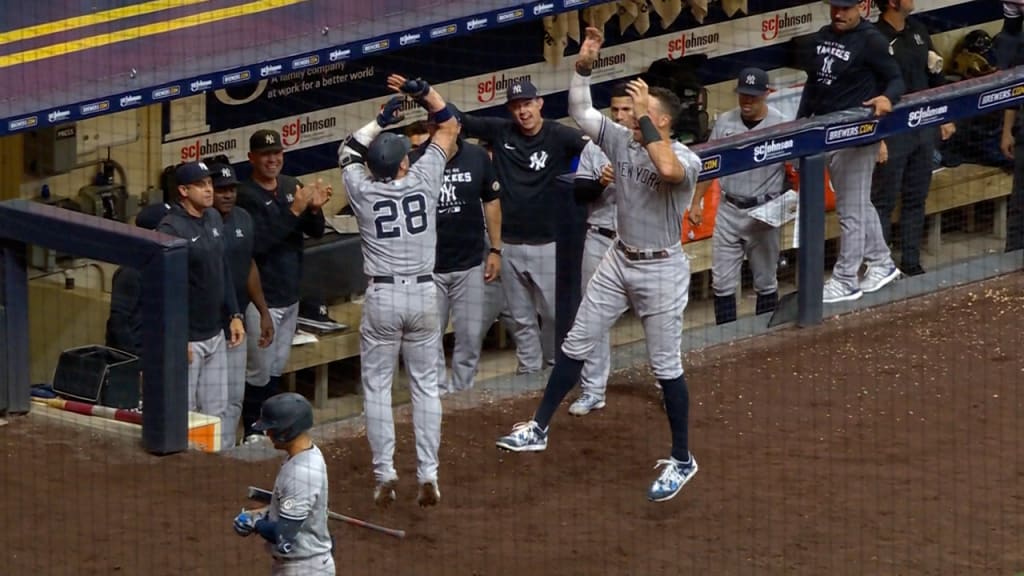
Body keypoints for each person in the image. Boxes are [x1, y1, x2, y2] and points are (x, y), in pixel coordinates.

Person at [496, 27, 702, 503]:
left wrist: (648, 112)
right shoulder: (622, 142)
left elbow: (667, 170)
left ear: (663, 121)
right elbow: (580, 111)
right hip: (618, 257)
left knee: (664, 366)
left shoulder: (686, 161)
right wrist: (581, 68)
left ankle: (682, 459)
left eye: (644, 112)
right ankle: (539, 426)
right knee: (577, 340)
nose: (631, 117)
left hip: (662, 268)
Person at [338, 75, 459, 507]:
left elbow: (346, 151)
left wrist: (377, 121)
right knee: (426, 387)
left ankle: (385, 472)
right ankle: (429, 474)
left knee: (377, 388)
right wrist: (423, 92)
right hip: (425, 296)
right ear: (405, 163)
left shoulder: (362, 188)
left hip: (383, 299)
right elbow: (448, 126)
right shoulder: (425, 178)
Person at [455, 78, 590, 374]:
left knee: (556, 313)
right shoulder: (501, 131)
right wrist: (424, 94)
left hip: (548, 243)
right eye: (516, 106)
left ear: (539, 103)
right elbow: (458, 119)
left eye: (527, 104)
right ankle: (529, 370)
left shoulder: (558, 134)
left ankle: (556, 364)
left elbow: (597, 143)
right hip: (510, 245)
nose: (523, 111)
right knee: (521, 318)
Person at [796, 0, 905, 303]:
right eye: (834, 7)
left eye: (845, 8)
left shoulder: (872, 40)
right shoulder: (822, 36)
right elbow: (814, 83)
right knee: (857, 203)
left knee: (850, 212)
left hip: (857, 135)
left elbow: (896, 78)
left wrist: (888, 98)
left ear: (861, 7)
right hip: (826, 132)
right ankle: (881, 262)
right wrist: (800, 123)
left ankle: (846, 279)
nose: (838, 14)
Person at [237, 129, 331, 443]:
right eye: (265, 154)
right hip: (260, 300)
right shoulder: (244, 196)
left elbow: (315, 232)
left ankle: (270, 429)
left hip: (290, 296)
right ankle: (252, 431)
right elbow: (259, 244)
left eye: (276, 153)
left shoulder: (292, 185)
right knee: (258, 373)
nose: (272, 159)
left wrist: (314, 209)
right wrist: (294, 210)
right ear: (251, 158)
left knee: (275, 370)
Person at [409, 111, 504, 395]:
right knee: (429, 337)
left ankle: (463, 391)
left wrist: (496, 249)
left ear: (458, 127)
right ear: (431, 128)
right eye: (437, 127)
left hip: (470, 262)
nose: (444, 132)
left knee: (471, 335)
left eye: (448, 126)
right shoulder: (416, 161)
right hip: (429, 268)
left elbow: (491, 201)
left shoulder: (476, 157)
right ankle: (436, 392)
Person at [689, 68, 787, 325]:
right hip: (729, 209)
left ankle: (767, 335)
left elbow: (797, 167)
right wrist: (696, 200)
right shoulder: (725, 123)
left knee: (765, 281)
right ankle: (725, 338)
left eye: (753, 96)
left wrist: (789, 202)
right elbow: (711, 165)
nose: (747, 101)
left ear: (766, 94)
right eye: (743, 95)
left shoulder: (780, 124)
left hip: (763, 213)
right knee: (721, 284)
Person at [872, 0, 956, 277]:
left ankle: (910, 260)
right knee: (883, 201)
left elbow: (936, 76)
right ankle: (881, 268)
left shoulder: (919, 30)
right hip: (892, 132)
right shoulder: (875, 38)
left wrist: (945, 116)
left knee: (916, 198)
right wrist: (876, 139)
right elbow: (870, 90)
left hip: (924, 128)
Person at [564, 82, 633, 416]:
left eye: (626, 110)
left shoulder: (653, 147)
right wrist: (601, 182)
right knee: (592, 316)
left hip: (641, 245)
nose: (619, 116)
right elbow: (579, 194)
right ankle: (593, 390)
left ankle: (667, 383)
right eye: (615, 110)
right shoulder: (595, 147)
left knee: (657, 318)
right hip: (601, 238)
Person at [157, 161, 245, 417]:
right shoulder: (171, 228)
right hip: (189, 339)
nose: (209, 190)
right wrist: (178, 335)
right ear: (184, 191)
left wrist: (235, 315)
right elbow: (167, 288)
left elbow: (223, 268)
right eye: (200, 185)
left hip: (216, 333)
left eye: (209, 183)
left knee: (216, 410)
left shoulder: (214, 217)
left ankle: (212, 458)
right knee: (185, 412)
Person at [210, 162, 276, 446]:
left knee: (235, 396)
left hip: (237, 323)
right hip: (208, 327)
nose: (227, 195)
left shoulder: (243, 219)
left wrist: (262, 311)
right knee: (210, 400)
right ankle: (205, 454)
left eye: (231, 189)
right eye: (221, 189)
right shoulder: (201, 223)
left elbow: (249, 264)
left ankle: (226, 451)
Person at [233, 392, 334, 575]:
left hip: (305, 569)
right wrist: (258, 513)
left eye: (271, 428)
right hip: (300, 565)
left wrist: (254, 524)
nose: (267, 433)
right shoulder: (303, 456)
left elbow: (283, 535)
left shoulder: (302, 473)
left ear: (288, 430)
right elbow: (286, 510)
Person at [106, 201, 172, 357]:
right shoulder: (131, 271)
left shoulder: (162, 263)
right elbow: (118, 322)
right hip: (137, 358)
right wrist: (134, 361)